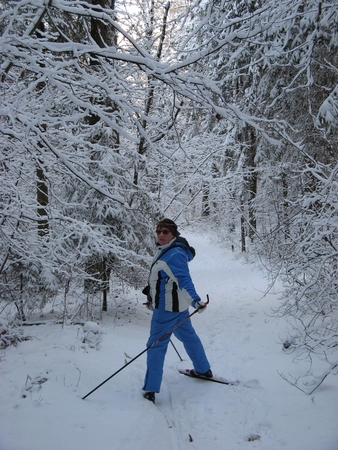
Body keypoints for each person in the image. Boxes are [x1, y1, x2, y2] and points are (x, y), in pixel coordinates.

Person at [142, 218, 212, 403]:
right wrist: (151, 299)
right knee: (189, 337)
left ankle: (150, 389)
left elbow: (183, 280)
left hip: (166, 311)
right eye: (158, 231)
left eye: (165, 232)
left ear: (174, 234)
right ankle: (203, 370)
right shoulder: (167, 251)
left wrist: (195, 301)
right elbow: (162, 280)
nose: (161, 235)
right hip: (177, 308)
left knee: (155, 346)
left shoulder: (174, 255)